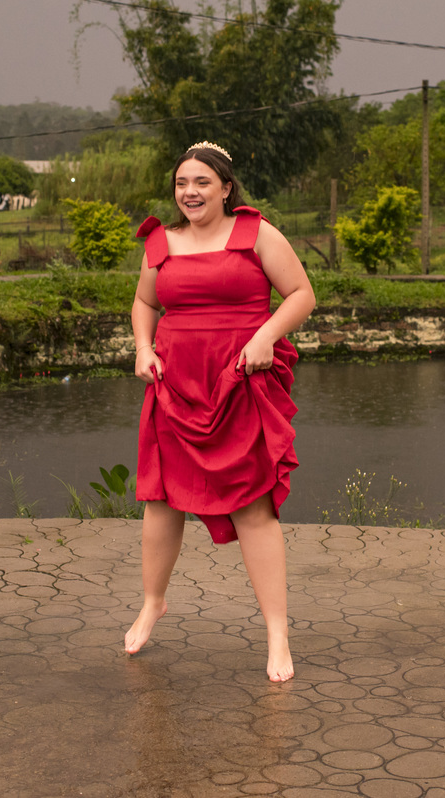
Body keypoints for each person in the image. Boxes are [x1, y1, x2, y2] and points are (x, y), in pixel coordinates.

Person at [125, 142, 316, 683]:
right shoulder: (160, 242)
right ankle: (152, 602)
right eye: (183, 182)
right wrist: (143, 346)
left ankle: (277, 635)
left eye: (202, 182)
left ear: (226, 187)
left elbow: (301, 294)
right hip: (176, 381)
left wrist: (265, 337)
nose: (190, 192)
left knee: (253, 506)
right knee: (161, 501)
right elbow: (145, 303)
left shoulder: (257, 234)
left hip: (240, 377)